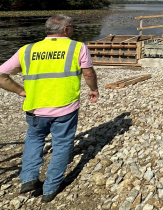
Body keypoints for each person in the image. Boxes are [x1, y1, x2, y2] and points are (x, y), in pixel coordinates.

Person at [0, 15, 99, 203]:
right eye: (72, 26)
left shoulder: (27, 49)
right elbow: (88, 72)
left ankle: (28, 177)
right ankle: (51, 188)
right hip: (65, 107)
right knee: (61, 144)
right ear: (65, 30)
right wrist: (93, 89)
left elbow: (1, 75)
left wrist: (20, 91)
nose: (73, 29)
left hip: (35, 107)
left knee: (34, 139)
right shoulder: (77, 47)